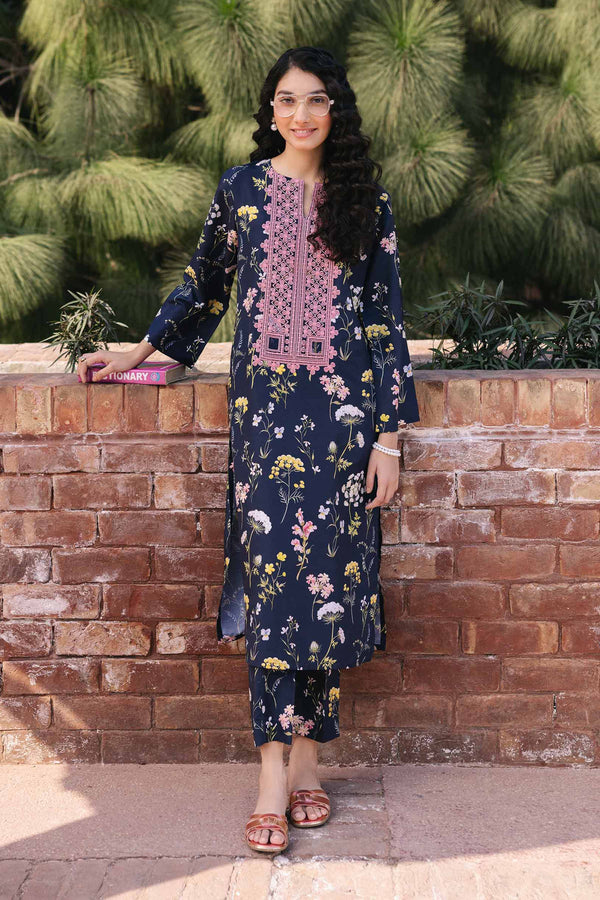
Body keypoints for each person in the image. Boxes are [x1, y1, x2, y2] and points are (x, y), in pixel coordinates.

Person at [77, 46, 419, 855]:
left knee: (327, 585)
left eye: (317, 100)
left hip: (342, 426)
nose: (301, 114)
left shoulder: (366, 202)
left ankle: (309, 764)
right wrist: (137, 354)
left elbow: (385, 320)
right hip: (265, 418)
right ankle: (273, 775)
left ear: (337, 110)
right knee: (273, 589)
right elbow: (204, 286)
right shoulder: (241, 190)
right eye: (287, 100)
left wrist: (389, 437)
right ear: (271, 110)